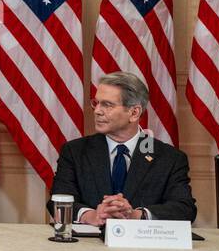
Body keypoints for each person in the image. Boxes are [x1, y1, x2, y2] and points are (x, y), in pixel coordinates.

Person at [49, 71, 196, 224]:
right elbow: (57, 201)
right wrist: (92, 216)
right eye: (96, 103)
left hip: (142, 246)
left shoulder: (170, 158)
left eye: (107, 105)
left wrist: (135, 215)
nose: (97, 111)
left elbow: (184, 209)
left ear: (134, 113)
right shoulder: (74, 151)